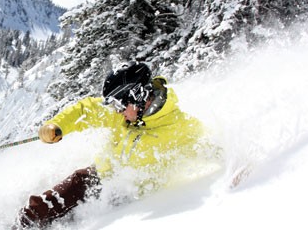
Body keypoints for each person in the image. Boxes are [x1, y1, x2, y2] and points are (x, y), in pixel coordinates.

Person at [15, 61, 206, 228]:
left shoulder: (180, 127)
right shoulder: (124, 115)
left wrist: (235, 165)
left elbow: (214, 147)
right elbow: (86, 110)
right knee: (42, 208)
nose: (116, 111)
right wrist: (57, 125)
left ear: (137, 97)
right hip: (96, 179)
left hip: (134, 198)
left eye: (119, 105)